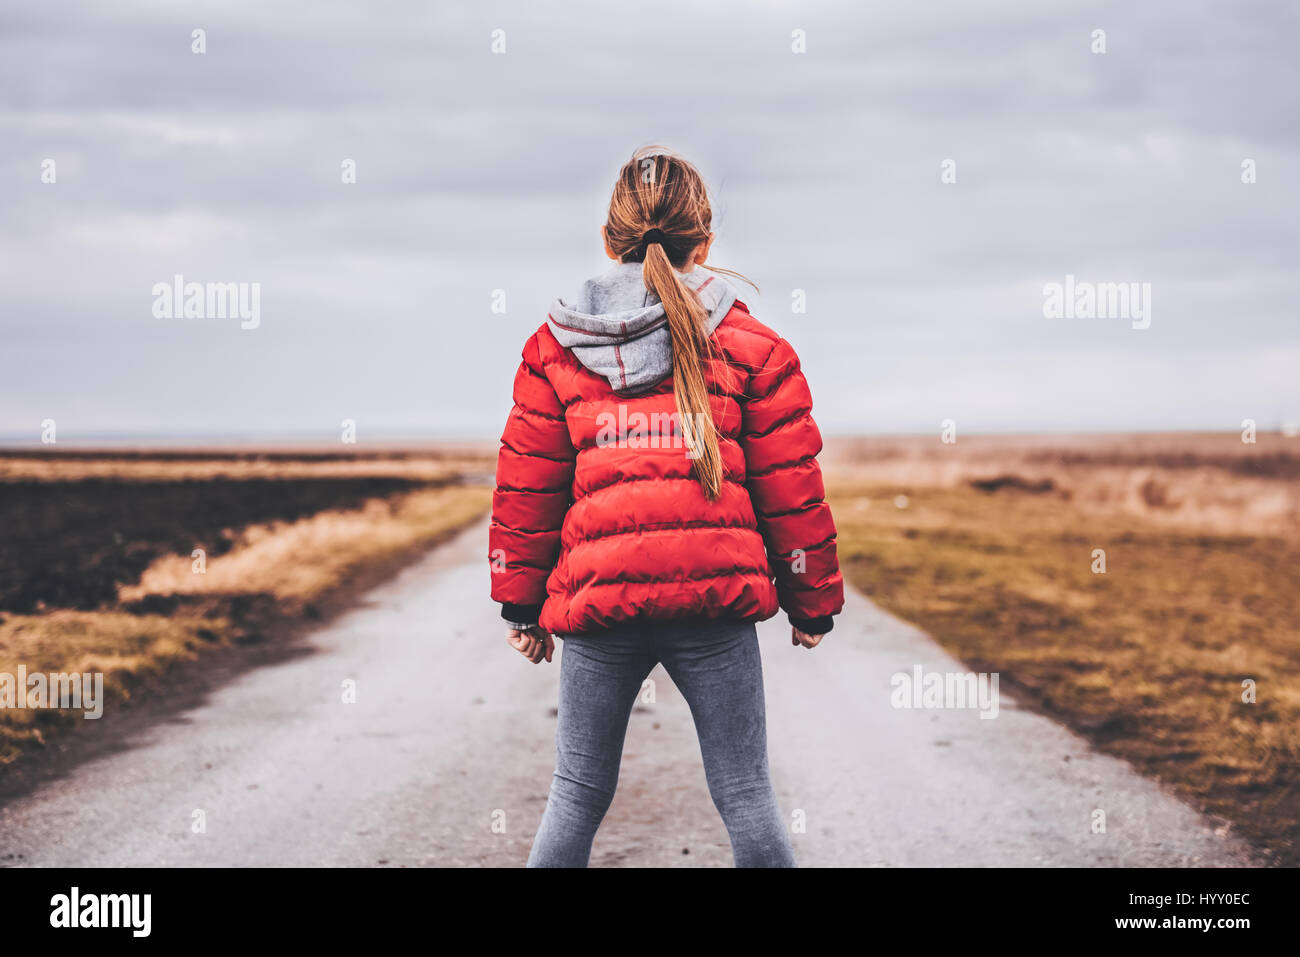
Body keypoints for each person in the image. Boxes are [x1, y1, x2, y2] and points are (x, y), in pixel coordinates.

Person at [489, 147, 844, 867]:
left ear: (607, 237)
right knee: (746, 791)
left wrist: (521, 607)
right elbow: (790, 486)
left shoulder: (554, 348)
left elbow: (529, 487)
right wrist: (812, 603)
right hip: (713, 604)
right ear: (704, 242)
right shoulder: (755, 347)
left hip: (598, 602)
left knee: (576, 791)